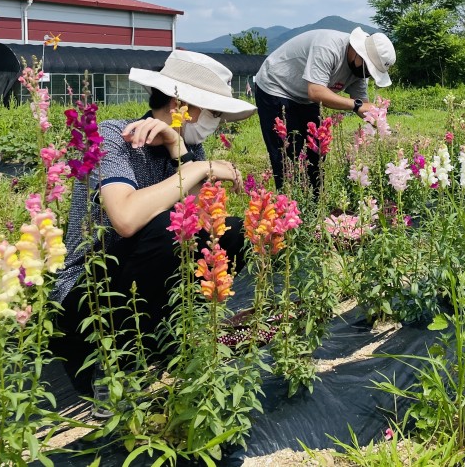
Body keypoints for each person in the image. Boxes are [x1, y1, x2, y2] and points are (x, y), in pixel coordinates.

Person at [50, 50, 256, 394]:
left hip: (141, 287)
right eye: (214, 112)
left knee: (230, 233)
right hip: (91, 292)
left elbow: (205, 220)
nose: (216, 122)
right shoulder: (113, 136)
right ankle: (114, 365)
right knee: (170, 230)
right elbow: (126, 219)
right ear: (180, 106)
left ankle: (166, 334)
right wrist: (196, 169)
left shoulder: (188, 149)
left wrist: (180, 151)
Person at [254, 27, 396, 191]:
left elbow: (362, 105)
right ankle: (287, 206)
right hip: (277, 86)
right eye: (369, 68)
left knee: (317, 149)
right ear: (359, 52)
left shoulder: (359, 70)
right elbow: (315, 91)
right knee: (287, 151)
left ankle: (314, 205)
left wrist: (378, 122)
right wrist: (356, 105)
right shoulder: (328, 47)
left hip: (304, 97)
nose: (368, 74)